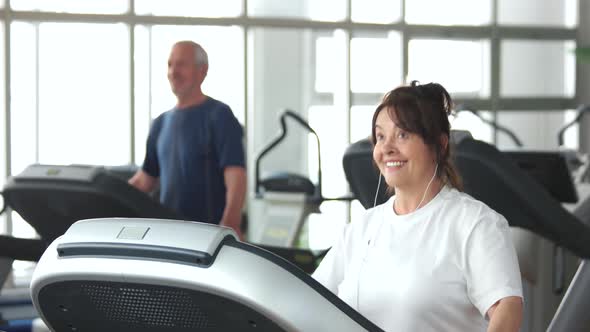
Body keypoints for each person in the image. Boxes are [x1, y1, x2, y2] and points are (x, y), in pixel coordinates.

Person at [312, 81, 523, 331]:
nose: (387, 148)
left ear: (439, 144)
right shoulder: (360, 229)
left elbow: (507, 309)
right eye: (380, 136)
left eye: (402, 135)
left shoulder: (475, 223)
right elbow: (310, 301)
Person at [129, 41, 246, 239]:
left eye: (181, 64)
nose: (173, 72)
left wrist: (230, 225)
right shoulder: (160, 123)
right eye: (170, 65)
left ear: (203, 71)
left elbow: (236, 175)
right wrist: (104, 197)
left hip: (208, 237)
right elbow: (144, 180)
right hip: (168, 236)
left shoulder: (219, 115)